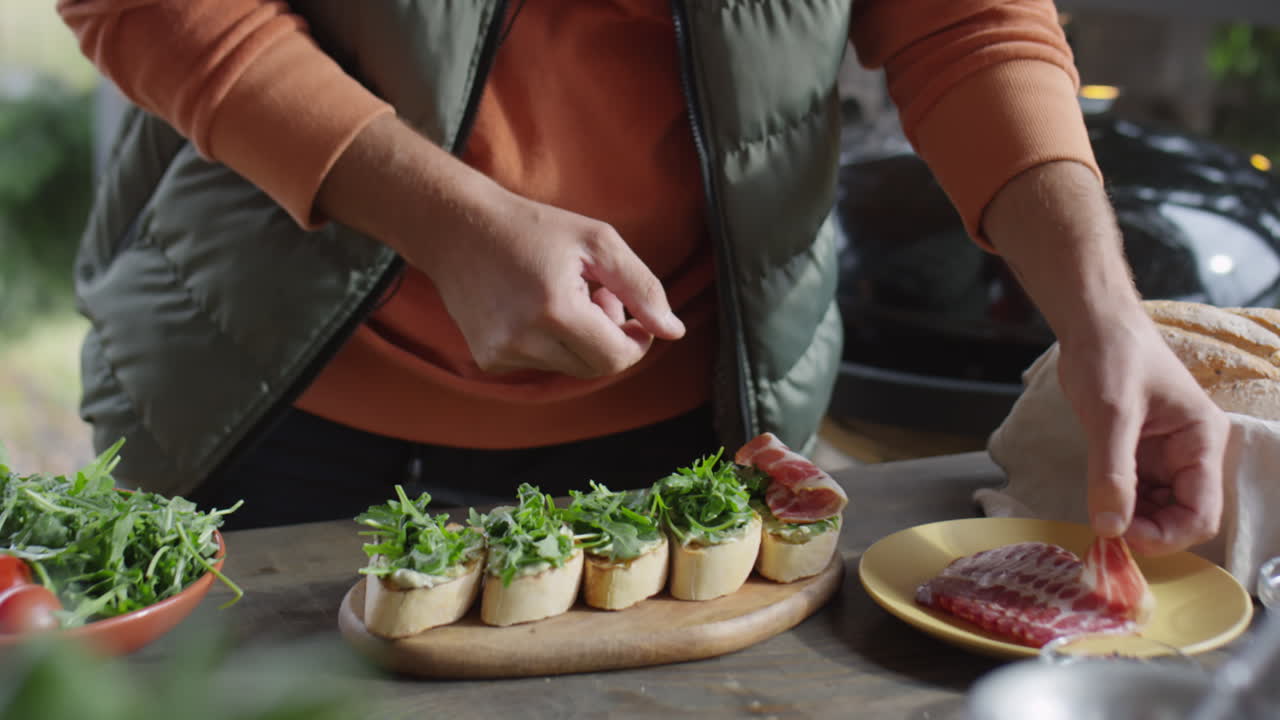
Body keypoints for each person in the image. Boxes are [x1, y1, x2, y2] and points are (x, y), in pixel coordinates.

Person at [57, 0, 1228, 549]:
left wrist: (1101, 316)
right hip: (262, 409)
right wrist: (454, 224)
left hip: (692, 429)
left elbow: (966, 24)